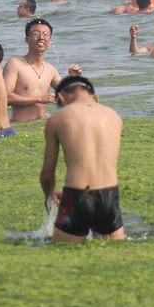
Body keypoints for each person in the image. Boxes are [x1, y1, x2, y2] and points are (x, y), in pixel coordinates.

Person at [41, 76, 125, 243]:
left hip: (76, 195)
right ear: (93, 96)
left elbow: (47, 175)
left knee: (61, 254)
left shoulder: (58, 119)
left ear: (61, 97)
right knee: (113, 253)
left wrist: (50, 198)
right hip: (109, 196)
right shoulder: (114, 116)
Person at [3, 18, 80, 122]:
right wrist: (39, 99)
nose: (41, 37)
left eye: (45, 34)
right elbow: (5, 98)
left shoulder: (50, 69)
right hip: (21, 125)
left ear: (49, 41)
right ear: (26, 39)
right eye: (35, 33)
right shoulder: (15, 64)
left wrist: (74, 79)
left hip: (43, 124)